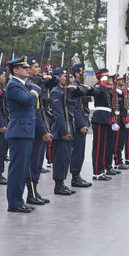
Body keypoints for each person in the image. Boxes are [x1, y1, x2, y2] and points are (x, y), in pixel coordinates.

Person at [3, 56, 38, 212]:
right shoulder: (13, 85)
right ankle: (14, 202)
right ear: (15, 70)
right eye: (24, 68)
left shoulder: (22, 84)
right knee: (17, 169)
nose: (27, 69)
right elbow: (28, 101)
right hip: (19, 131)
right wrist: (35, 91)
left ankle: (19, 200)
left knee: (23, 168)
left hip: (25, 130)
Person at [26, 57, 54, 205]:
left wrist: (48, 76)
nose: (38, 69)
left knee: (38, 161)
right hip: (36, 127)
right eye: (36, 67)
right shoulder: (29, 85)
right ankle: (30, 193)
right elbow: (36, 111)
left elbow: (54, 82)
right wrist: (43, 131)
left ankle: (34, 190)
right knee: (33, 162)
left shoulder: (38, 82)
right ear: (28, 69)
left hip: (43, 123)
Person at [49, 67, 77, 196]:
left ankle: (62, 182)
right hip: (60, 131)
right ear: (59, 77)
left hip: (68, 127)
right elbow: (58, 114)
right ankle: (58, 185)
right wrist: (64, 131)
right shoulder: (56, 92)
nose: (68, 79)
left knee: (66, 158)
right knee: (60, 159)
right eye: (65, 77)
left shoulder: (66, 91)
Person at [89, 68, 119, 181]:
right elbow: (94, 91)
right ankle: (97, 172)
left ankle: (102, 169)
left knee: (105, 146)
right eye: (109, 77)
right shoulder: (99, 87)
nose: (111, 79)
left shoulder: (106, 89)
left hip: (106, 118)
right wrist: (102, 82)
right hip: (100, 118)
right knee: (99, 147)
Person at [68, 64, 93, 188]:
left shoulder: (80, 87)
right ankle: (75, 176)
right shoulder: (75, 87)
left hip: (82, 120)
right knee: (78, 151)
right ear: (77, 74)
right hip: (79, 123)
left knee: (80, 150)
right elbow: (77, 108)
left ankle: (77, 175)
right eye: (83, 73)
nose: (85, 75)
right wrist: (82, 124)